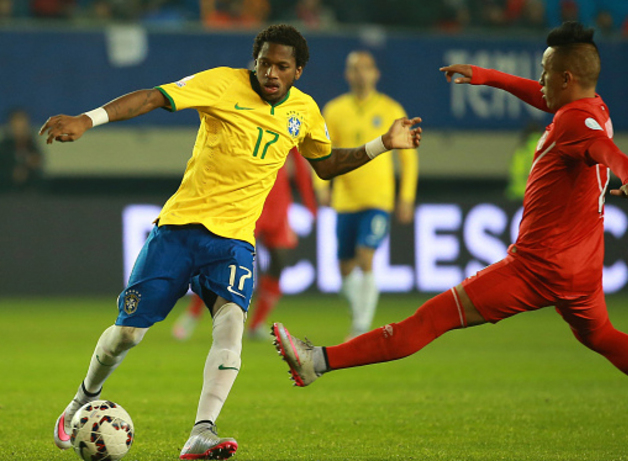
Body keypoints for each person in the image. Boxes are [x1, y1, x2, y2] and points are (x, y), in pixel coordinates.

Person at [272, 22, 628, 461]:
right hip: (583, 267)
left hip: (538, 267)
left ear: (565, 78)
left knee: (432, 318)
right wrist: (487, 76)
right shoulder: (591, 106)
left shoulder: (575, 122)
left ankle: (316, 361)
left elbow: (607, 152)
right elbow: (551, 103)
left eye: (544, 71)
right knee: (603, 335)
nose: (538, 80)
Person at [41, 24, 421, 461]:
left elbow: (326, 164)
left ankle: (202, 431)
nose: (271, 73)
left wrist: (382, 144)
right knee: (127, 334)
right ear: (254, 62)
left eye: (282, 66)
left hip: (234, 240)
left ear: (298, 70)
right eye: (264, 63)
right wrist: (87, 119)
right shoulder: (222, 83)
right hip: (179, 229)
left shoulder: (305, 111)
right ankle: (80, 401)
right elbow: (152, 97)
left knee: (231, 326)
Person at [317, 50, 418, 339]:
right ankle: (359, 313)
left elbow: (408, 158)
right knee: (344, 268)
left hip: (378, 198)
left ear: (376, 73)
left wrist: (406, 196)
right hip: (345, 200)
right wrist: (322, 186)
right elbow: (320, 152)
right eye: (354, 68)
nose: (360, 73)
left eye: (365, 68)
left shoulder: (391, 109)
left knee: (366, 255)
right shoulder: (334, 110)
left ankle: (361, 326)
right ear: (347, 74)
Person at [172, 146, 317, 341]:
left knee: (279, 261)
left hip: (278, 202)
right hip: (248, 198)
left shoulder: (289, 127)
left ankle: (256, 325)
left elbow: (299, 163)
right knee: (225, 258)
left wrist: (310, 205)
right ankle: (193, 314)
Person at [0, 108, 44, 193]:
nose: (20, 128)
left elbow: (37, 161)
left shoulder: (31, 144)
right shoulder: (4, 145)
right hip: (7, 190)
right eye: (16, 124)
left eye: (23, 124)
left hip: (31, 190)